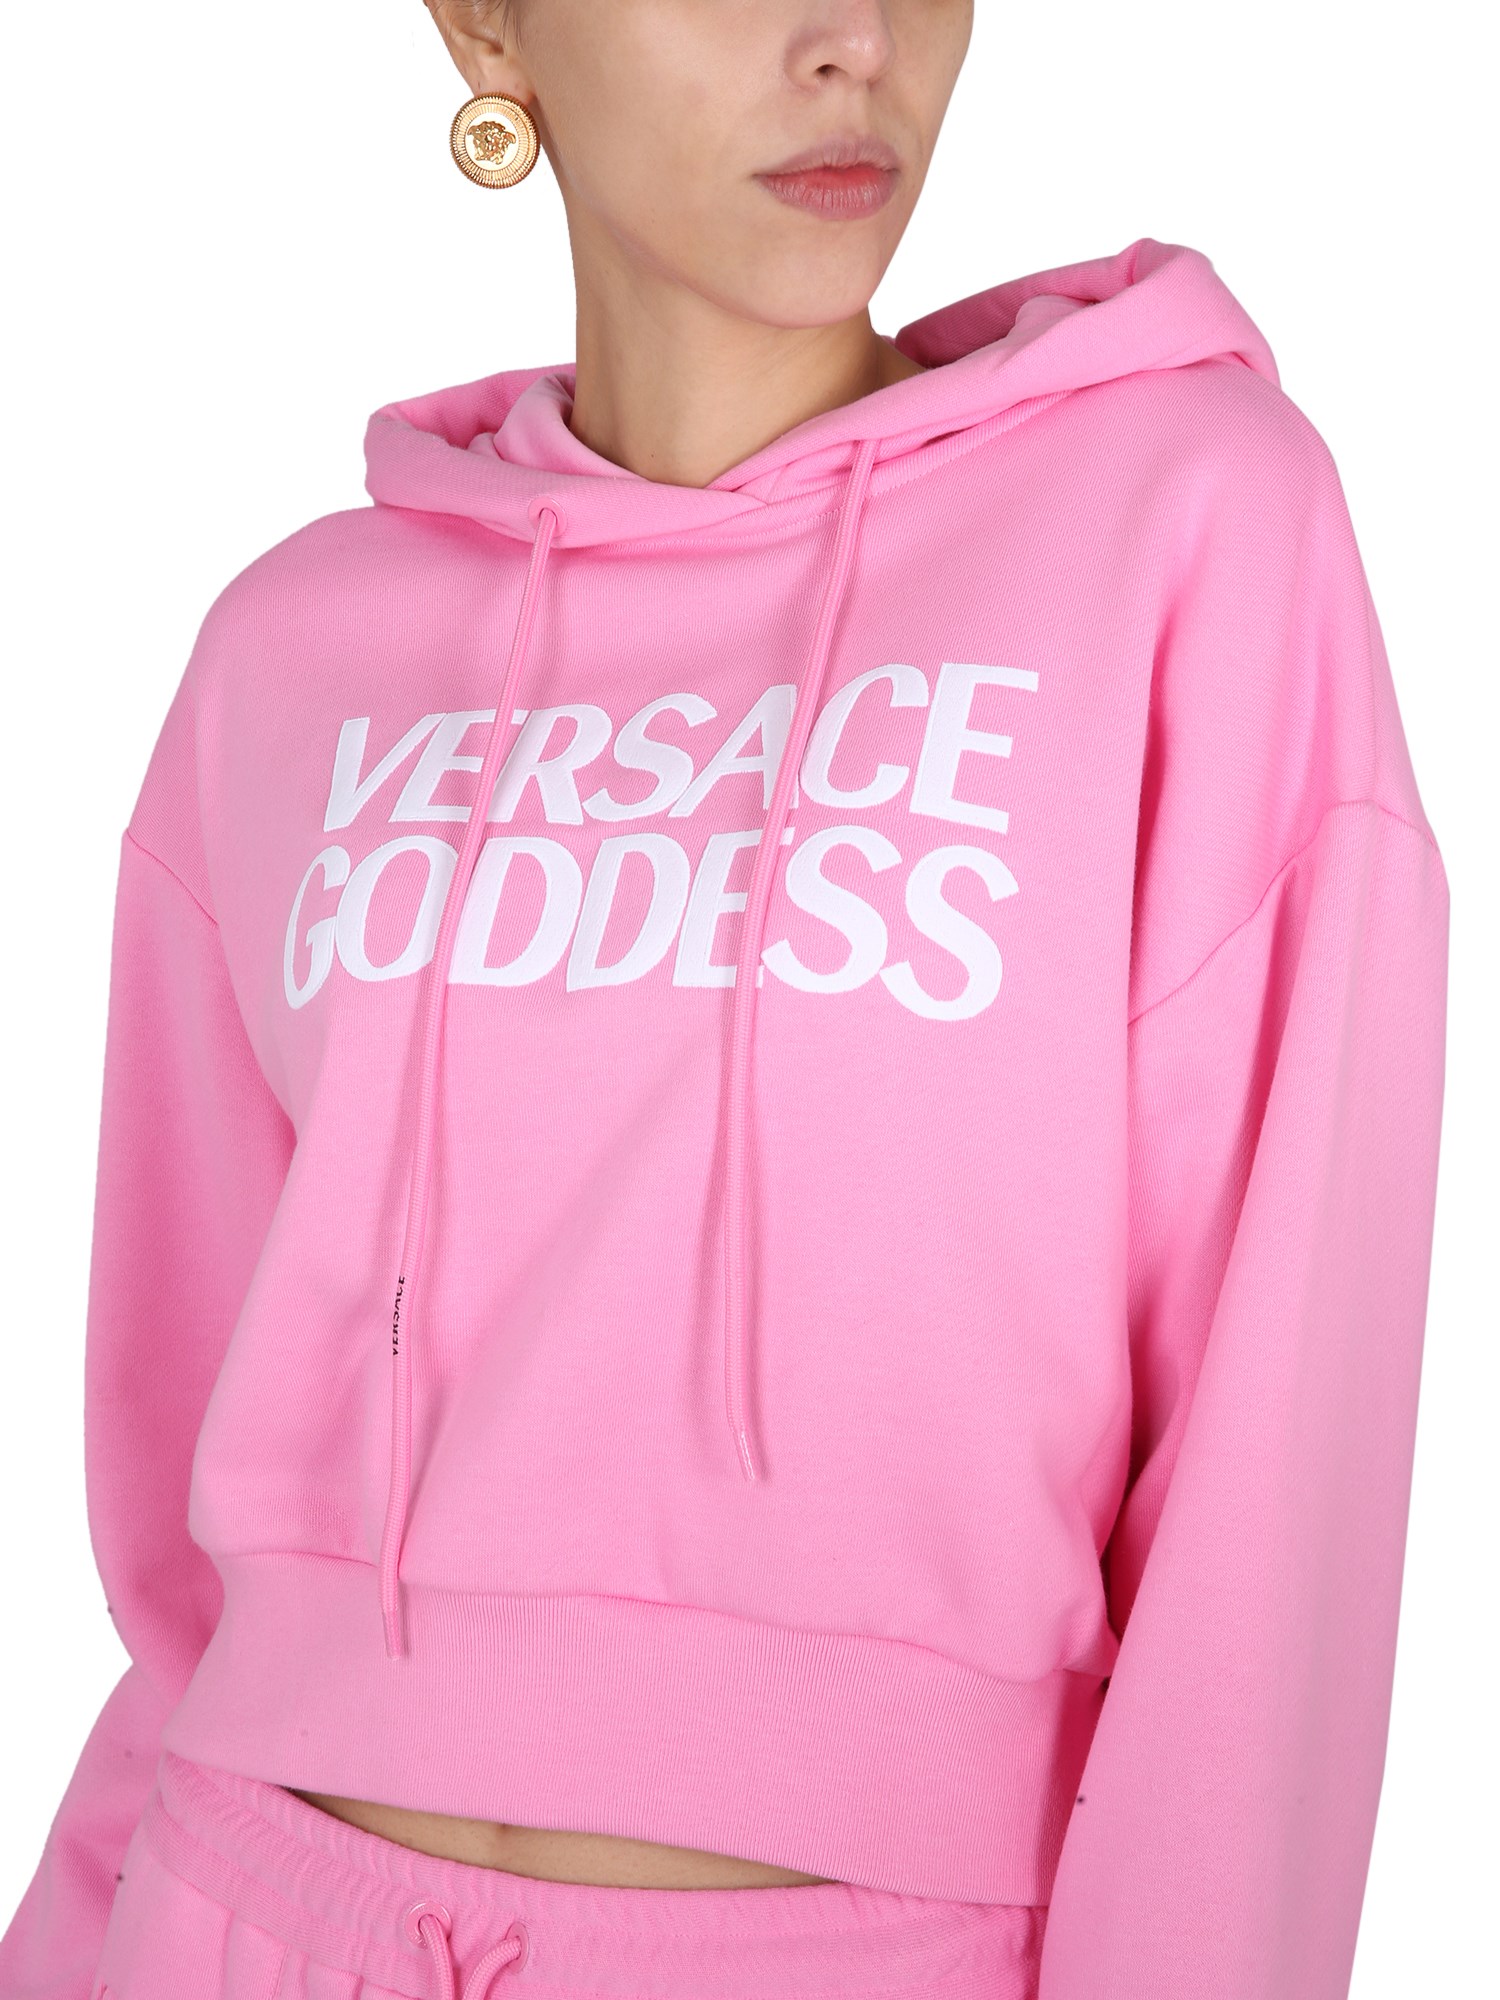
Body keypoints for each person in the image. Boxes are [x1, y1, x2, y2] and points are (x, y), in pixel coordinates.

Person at [0, 1, 1450, 1996]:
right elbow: (181, 1505)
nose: (851, 38)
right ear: (487, 22)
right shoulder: (294, 649)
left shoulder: (1190, 523)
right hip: (235, 1914)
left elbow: (1279, 1471)